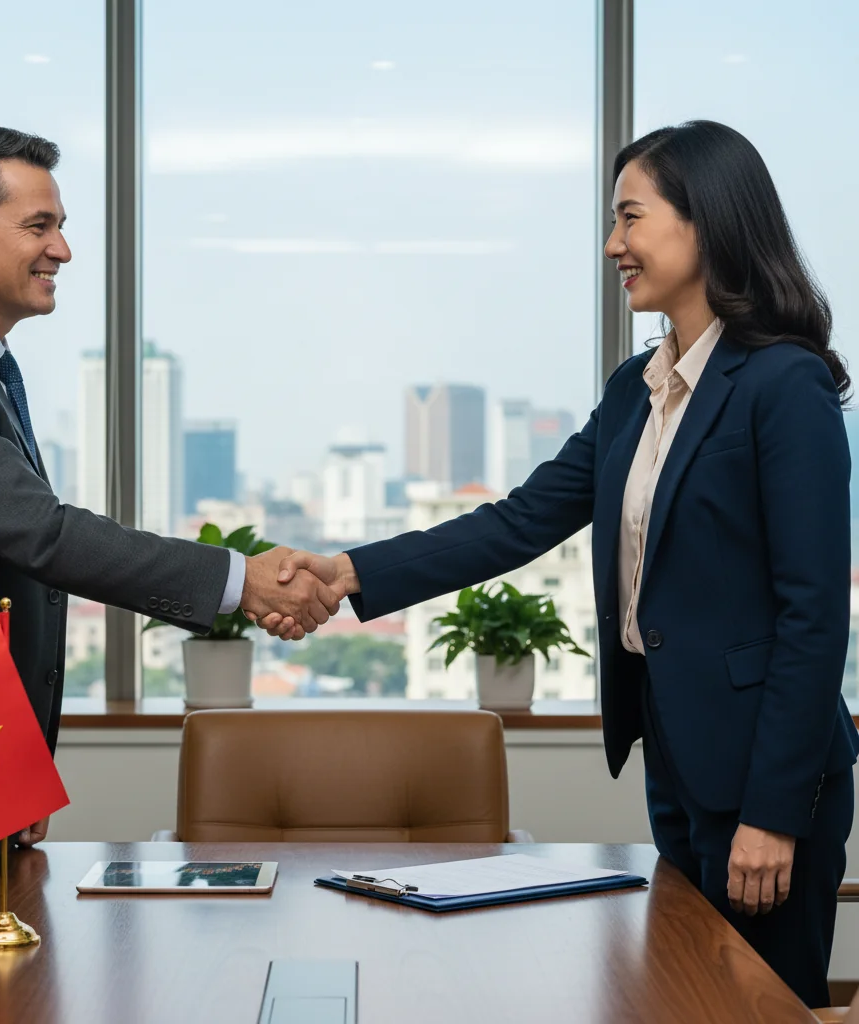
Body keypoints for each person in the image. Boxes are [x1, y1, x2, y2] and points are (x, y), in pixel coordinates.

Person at [265, 120, 858, 1008]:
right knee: (683, 998)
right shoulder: (635, 389)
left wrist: (774, 813)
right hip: (680, 758)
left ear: (708, 222)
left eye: (631, 217)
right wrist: (348, 571)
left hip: (768, 778)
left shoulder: (784, 385)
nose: (613, 244)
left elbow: (815, 615)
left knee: (754, 1005)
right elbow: (518, 522)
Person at [0, 126, 337, 967]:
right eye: (39, 227)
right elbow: (42, 535)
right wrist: (239, 578)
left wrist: (19, 766)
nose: (62, 249)